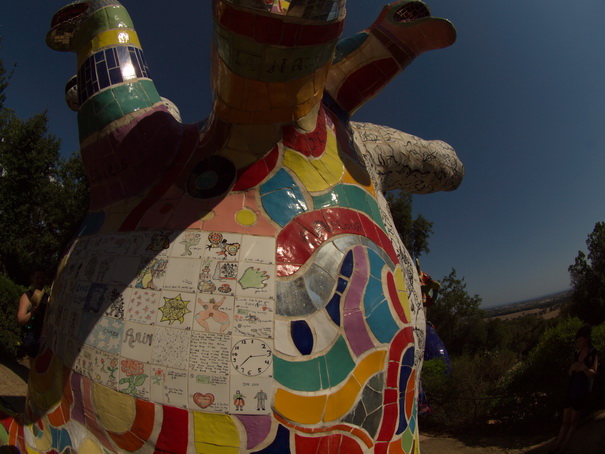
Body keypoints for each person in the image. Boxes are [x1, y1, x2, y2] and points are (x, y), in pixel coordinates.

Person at [551, 324, 599, 453]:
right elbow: (569, 373)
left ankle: (563, 447)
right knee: (565, 421)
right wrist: (572, 368)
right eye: (577, 341)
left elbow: (594, 373)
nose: (578, 343)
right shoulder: (576, 353)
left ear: (586, 339)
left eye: (580, 340)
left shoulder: (593, 353)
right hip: (572, 389)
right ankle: (556, 447)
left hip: (582, 390)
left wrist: (584, 368)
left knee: (573, 422)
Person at [17, 270, 48, 358]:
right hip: (31, 336)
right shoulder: (27, 296)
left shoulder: (48, 298)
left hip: (44, 337)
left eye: (42, 278)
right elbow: (20, 319)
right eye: (37, 278)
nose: (40, 280)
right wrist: (32, 313)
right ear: (32, 278)